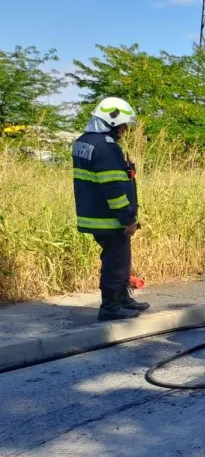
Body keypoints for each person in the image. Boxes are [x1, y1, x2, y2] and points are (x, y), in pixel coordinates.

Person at [72, 97, 149, 321]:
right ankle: (111, 307)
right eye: (124, 125)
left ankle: (122, 299)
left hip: (93, 214)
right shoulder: (106, 148)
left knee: (118, 258)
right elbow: (113, 188)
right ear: (112, 121)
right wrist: (127, 218)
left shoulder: (83, 142)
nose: (125, 130)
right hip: (109, 218)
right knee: (116, 261)